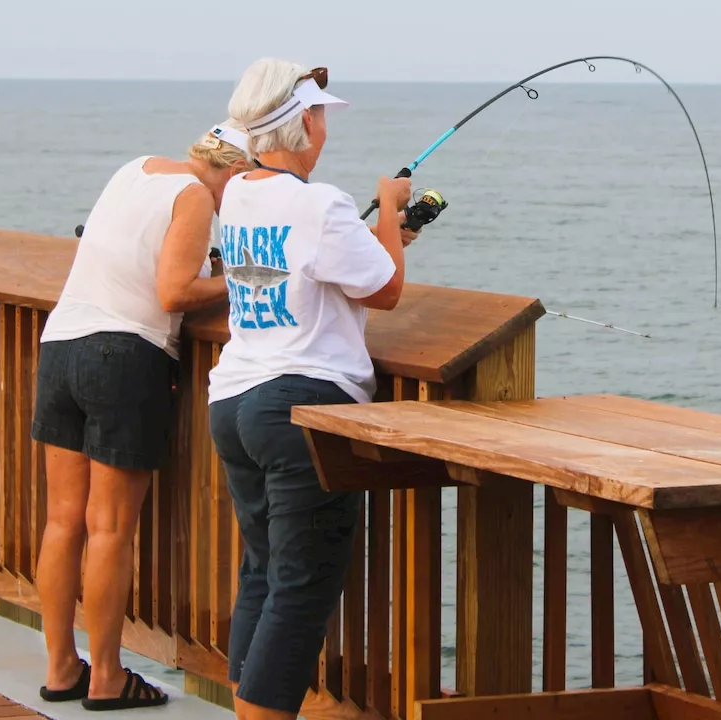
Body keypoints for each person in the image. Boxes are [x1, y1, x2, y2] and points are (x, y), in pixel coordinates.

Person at [207, 58, 419, 719]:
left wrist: (383, 231)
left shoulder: (238, 193)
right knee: (301, 588)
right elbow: (385, 291)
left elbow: (309, 268)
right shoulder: (321, 202)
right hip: (302, 409)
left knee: (264, 575)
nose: (326, 125)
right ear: (304, 123)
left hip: (236, 398)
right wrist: (389, 208)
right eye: (322, 113)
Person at [31, 121, 254, 711]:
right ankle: (107, 677)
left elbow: (135, 255)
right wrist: (239, 277)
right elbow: (174, 293)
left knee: (63, 522)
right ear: (233, 170)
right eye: (246, 183)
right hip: (124, 357)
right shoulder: (199, 197)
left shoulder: (138, 168)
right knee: (108, 529)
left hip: (62, 347)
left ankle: (60, 669)